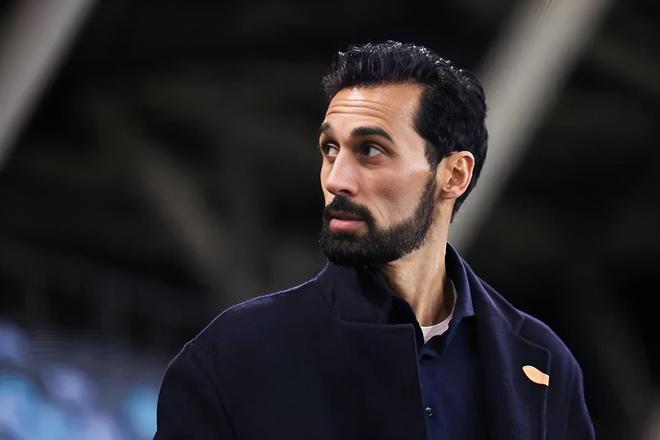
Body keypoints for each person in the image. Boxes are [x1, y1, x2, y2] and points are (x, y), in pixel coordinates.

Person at [154, 41, 594, 439]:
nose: (336, 179)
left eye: (370, 150)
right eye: (330, 149)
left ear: (454, 175)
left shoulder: (544, 365)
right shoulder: (231, 355)